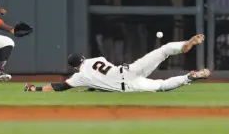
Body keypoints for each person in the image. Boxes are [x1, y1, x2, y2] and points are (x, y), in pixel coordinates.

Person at [24, 34, 211, 92]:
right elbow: (101, 76)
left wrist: (37, 89)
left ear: (74, 66)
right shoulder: (96, 60)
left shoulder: (79, 77)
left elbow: (59, 86)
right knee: (162, 51)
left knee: (162, 86)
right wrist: (93, 87)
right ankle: (183, 45)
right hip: (128, 69)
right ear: (83, 58)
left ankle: (189, 77)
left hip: (128, 85)